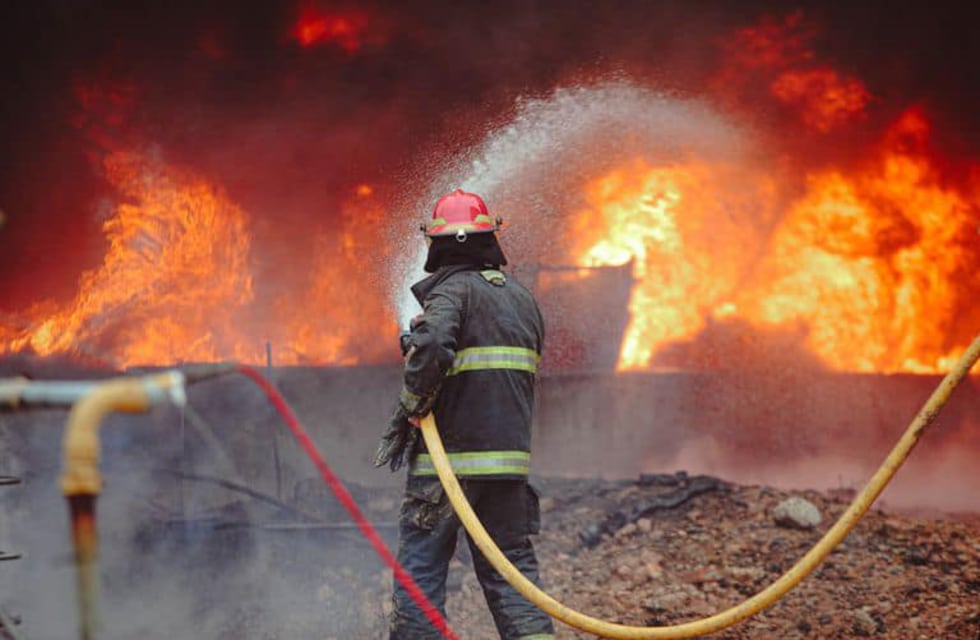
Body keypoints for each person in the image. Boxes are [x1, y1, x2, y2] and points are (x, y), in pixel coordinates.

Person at [374, 189, 555, 640]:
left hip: (446, 468)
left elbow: (435, 343)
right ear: (490, 238)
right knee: (512, 575)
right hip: (507, 469)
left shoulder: (451, 291)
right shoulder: (522, 300)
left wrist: (412, 404)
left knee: (420, 572)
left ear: (437, 245)